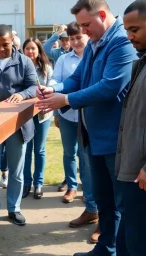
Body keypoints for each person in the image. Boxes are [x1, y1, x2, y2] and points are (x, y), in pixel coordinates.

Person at [35, 0, 136, 256]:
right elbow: (79, 77)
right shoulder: (95, 42)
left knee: (123, 204)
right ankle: (105, 248)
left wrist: (65, 99)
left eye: (87, 25)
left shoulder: (121, 42)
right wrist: (53, 88)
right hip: (94, 136)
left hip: (116, 139)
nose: (83, 32)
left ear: (102, 15)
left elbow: (110, 86)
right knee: (104, 199)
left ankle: (117, 250)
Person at [0, 24, 37, 227]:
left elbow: (33, 87)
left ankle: (14, 208)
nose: (1, 49)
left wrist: (21, 94)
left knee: (16, 170)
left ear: (13, 41)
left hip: (17, 124)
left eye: (5, 44)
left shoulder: (24, 61)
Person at [49, 22, 99, 243]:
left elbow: (97, 88)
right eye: (73, 38)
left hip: (92, 118)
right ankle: (79, 195)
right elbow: (65, 81)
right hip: (70, 115)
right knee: (71, 154)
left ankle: (96, 210)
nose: (77, 41)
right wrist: (52, 88)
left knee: (89, 162)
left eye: (80, 37)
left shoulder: (97, 55)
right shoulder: (63, 59)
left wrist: (65, 96)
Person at [115, 0, 146, 256]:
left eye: (135, 29)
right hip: (133, 170)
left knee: (140, 244)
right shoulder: (142, 61)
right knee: (129, 241)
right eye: (127, 30)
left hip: (144, 175)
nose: (129, 36)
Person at [22, 38, 53, 199]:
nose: (30, 52)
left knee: (39, 149)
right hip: (26, 114)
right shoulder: (21, 67)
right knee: (26, 149)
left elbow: (52, 89)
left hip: (43, 113)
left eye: (33, 48)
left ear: (39, 50)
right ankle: (26, 183)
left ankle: (38, 184)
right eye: (27, 48)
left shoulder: (46, 68)